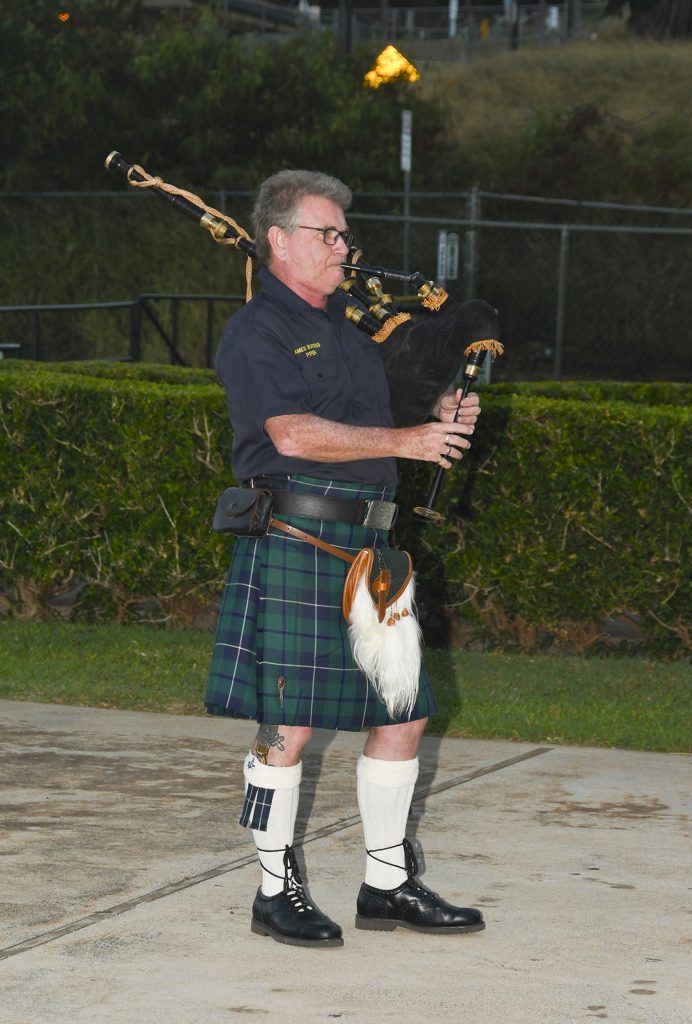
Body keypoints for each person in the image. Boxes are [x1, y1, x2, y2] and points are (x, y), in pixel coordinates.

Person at [205, 169, 484, 948]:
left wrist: (436, 413)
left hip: (372, 547)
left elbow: (379, 417)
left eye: (343, 234)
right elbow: (292, 434)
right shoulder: (255, 332)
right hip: (297, 538)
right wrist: (406, 440)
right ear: (279, 240)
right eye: (326, 233)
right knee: (287, 726)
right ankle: (273, 891)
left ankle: (386, 885)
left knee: (404, 713)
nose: (342, 247)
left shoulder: (351, 331)